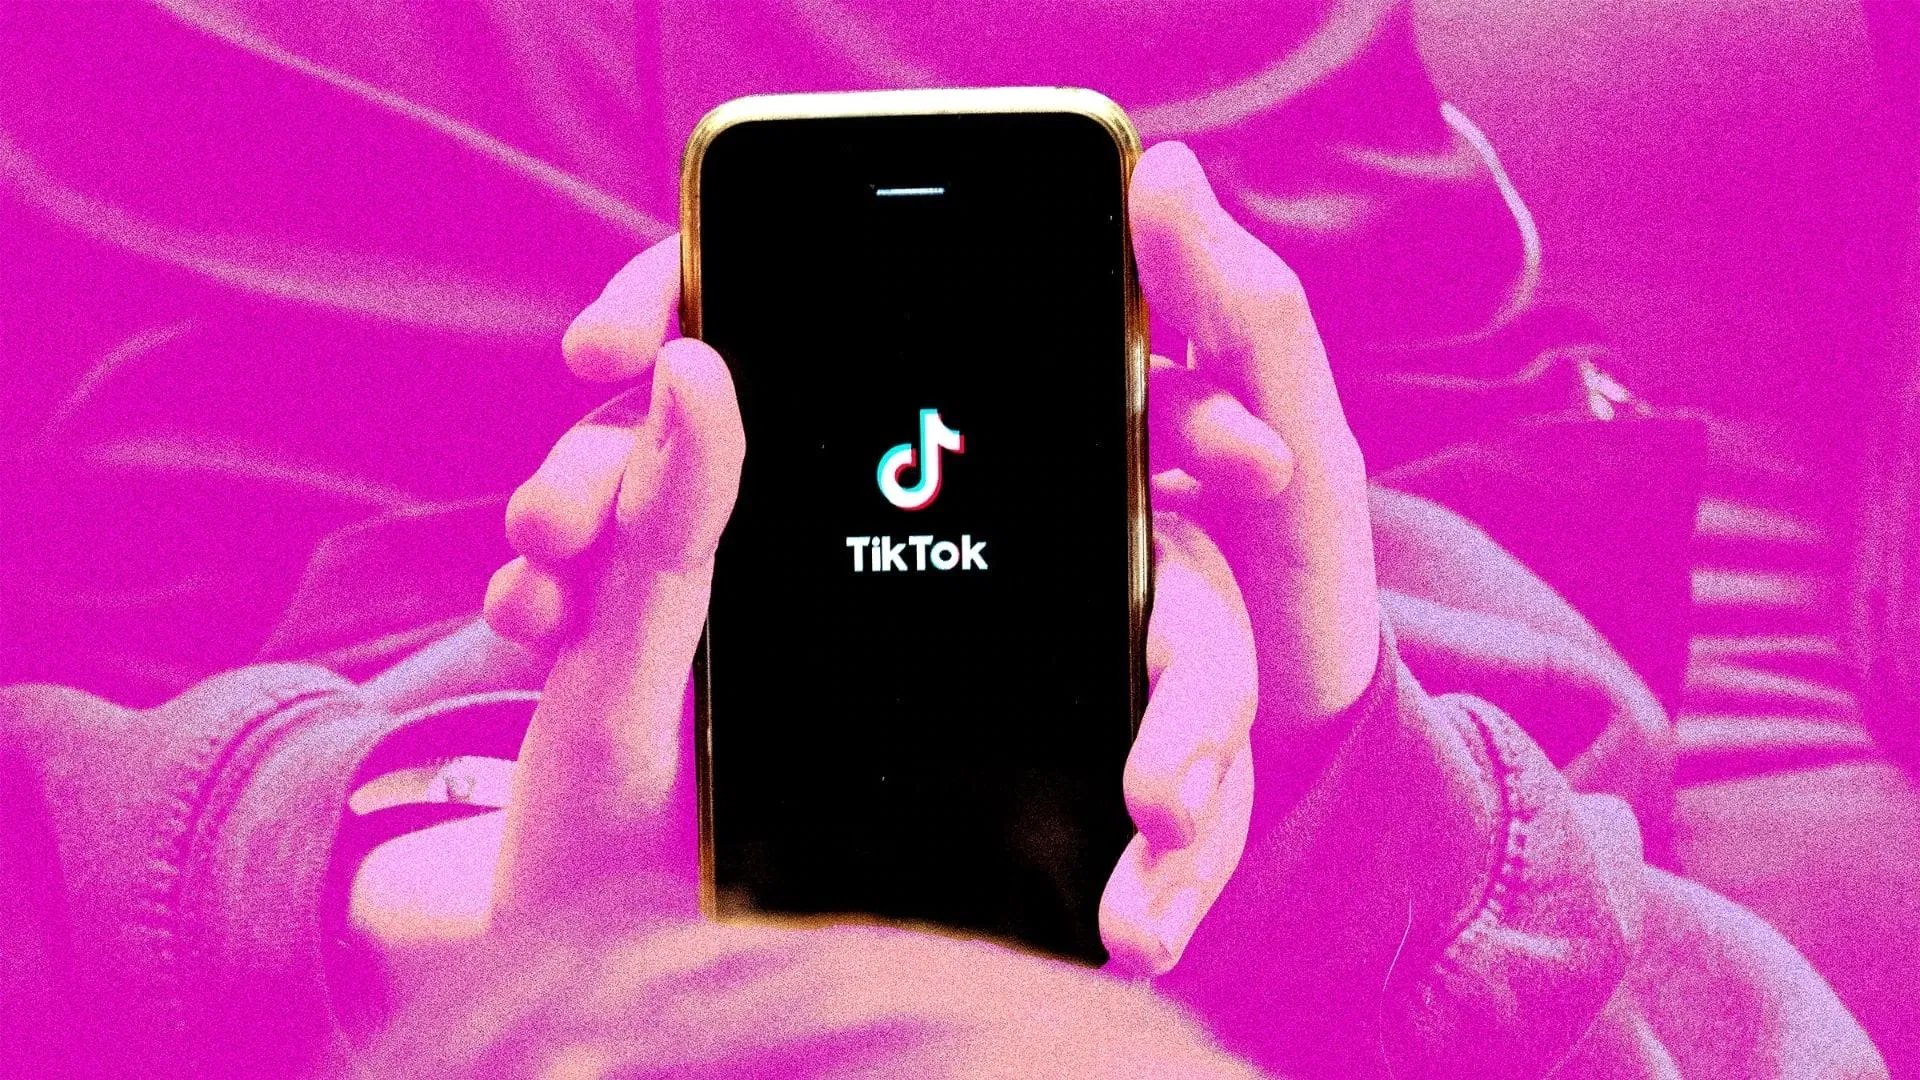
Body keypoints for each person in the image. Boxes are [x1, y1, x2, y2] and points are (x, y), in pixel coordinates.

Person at [0, 2, 1888, 1077]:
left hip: (290, 602)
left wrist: (381, 890)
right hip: (1327, 581)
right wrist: (1345, 825)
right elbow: (1665, 973)